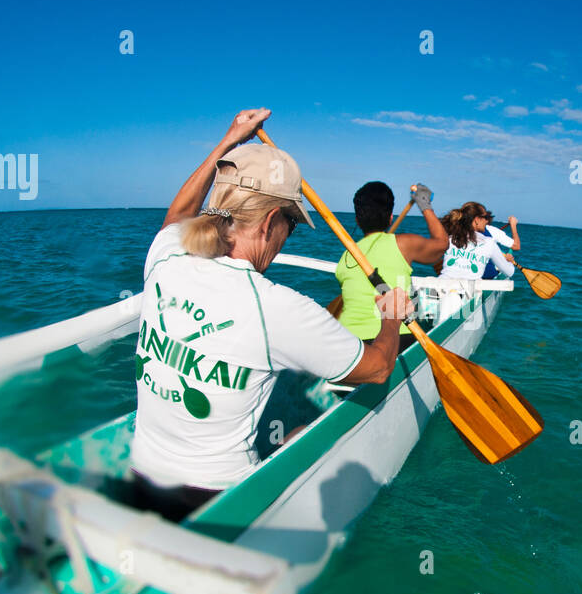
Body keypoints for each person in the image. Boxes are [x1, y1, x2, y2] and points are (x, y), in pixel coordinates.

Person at [131, 108, 412, 521]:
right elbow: (376, 369)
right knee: (303, 431)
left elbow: (176, 218)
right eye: (291, 226)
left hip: (139, 483)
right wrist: (391, 315)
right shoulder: (277, 307)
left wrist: (227, 142)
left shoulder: (165, 256)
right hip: (215, 504)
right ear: (269, 224)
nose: (285, 238)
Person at [335, 181, 447, 352]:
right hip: (397, 337)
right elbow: (441, 244)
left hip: (347, 343)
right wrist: (424, 203)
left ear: (357, 220)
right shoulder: (403, 244)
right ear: (390, 218)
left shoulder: (347, 256)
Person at [436, 201, 516, 320]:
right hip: (468, 295)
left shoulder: (448, 237)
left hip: (439, 290)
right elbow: (509, 272)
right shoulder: (489, 243)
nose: (487, 221)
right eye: (485, 218)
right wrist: (509, 262)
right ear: (476, 220)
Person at [479, 210, 520, 281]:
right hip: (486, 275)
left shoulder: (460, 231)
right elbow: (516, 246)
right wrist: (513, 225)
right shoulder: (491, 231)